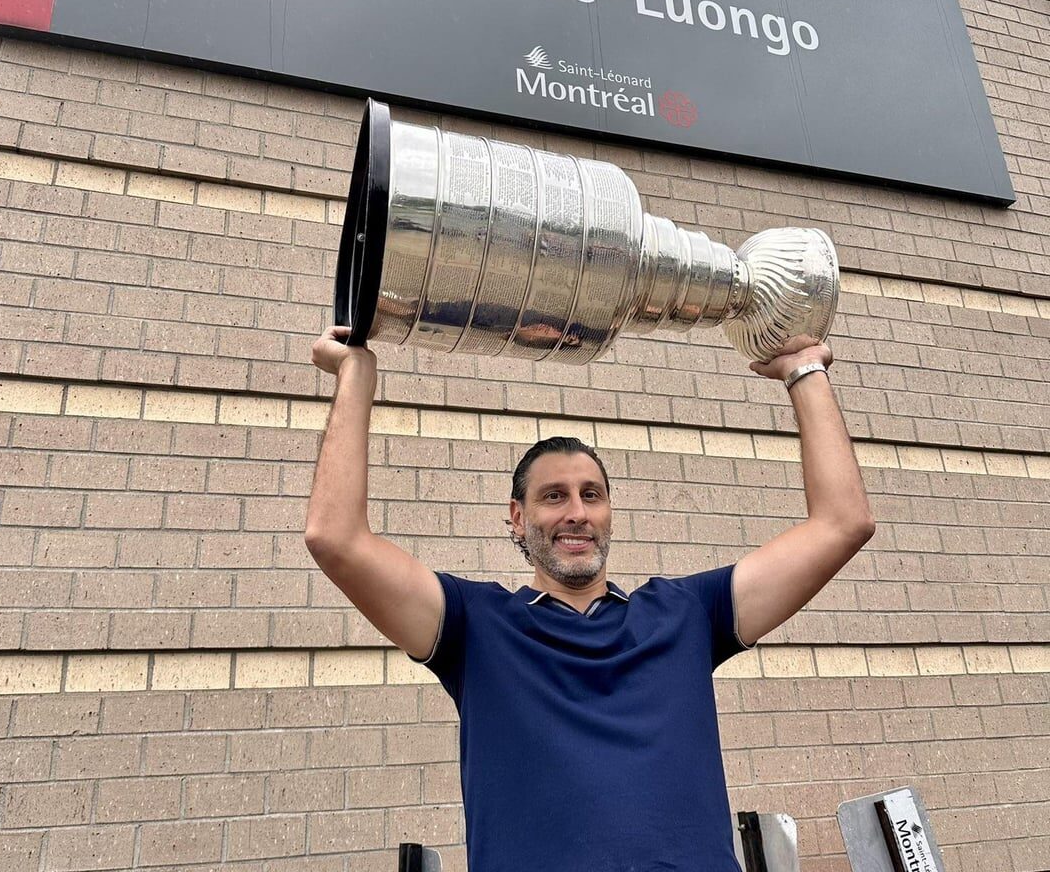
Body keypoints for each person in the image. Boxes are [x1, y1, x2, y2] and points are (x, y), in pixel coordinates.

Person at [305, 326, 874, 872]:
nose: (577, 512)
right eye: (554, 496)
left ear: (609, 514)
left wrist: (804, 371)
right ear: (518, 519)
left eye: (592, 495)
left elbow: (842, 524)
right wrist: (356, 373)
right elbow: (337, 539)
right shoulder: (472, 627)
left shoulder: (689, 613)